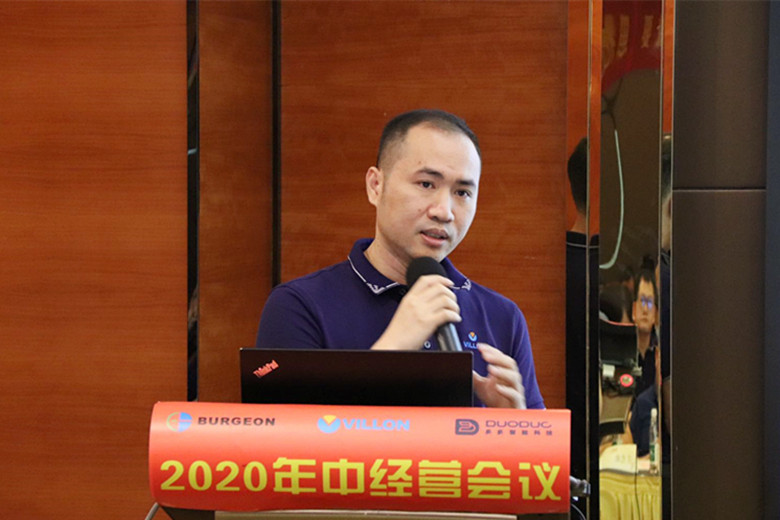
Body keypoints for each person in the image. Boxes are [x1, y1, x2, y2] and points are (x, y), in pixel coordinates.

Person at [255, 109, 543, 409]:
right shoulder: (299, 306)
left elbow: (540, 436)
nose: (444, 211)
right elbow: (285, 436)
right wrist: (392, 349)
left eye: (462, 192)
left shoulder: (503, 317)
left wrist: (511, 425)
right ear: (375, 186)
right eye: (426, 184)